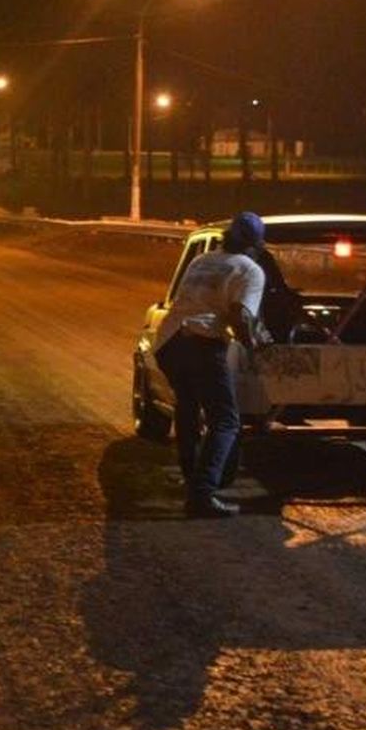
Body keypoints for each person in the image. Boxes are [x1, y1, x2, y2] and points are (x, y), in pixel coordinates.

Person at [154, 212, 267, 518]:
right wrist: (254, 347)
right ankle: (202, 495)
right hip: (201, 343)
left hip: (168, 341)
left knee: (188, 407)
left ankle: (192, 478)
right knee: (226, 420)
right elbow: (240, 315)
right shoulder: (250, 270)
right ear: (255, 245)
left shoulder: (201, 260)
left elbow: (189, 300)